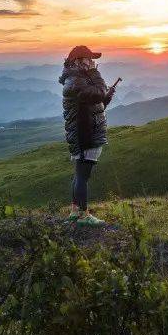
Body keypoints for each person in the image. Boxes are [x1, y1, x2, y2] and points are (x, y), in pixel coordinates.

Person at [59, 45, 118, 225]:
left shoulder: (77, 80)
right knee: (83, 176)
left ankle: (76, 212)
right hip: (85, 135)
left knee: (80, 175)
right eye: (89, 59)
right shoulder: (76, 81)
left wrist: (105, 99)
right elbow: (97, 93)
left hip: (85, 132)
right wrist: (96, 75)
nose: (93, 63)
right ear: (78, 61)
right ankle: (83, 215)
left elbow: (93, 103)